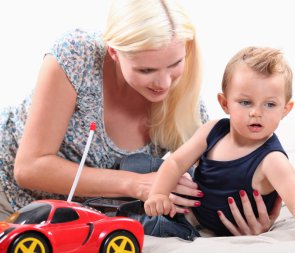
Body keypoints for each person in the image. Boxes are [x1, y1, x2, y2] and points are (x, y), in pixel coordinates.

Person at [0, 0, 280, 240]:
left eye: (175, 64)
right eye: (146, 69)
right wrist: (136, 183)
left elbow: (230, 169)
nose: (163, 83)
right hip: (7, 196)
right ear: (113, 52)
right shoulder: (78, 54)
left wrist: (256, 213)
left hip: (69, 226)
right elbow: (29, 168)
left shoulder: (186, 102)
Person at [144, 46, 295, 243]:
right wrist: (158, 194)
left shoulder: (272, 160)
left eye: (270, 104)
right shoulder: (213, 130)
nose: (256, 112)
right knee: (138, 163)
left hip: (191, 226)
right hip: (188, 206)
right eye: (245, 102)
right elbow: (175, 162)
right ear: (225, 103)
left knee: (148, 224)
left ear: (286, 109)